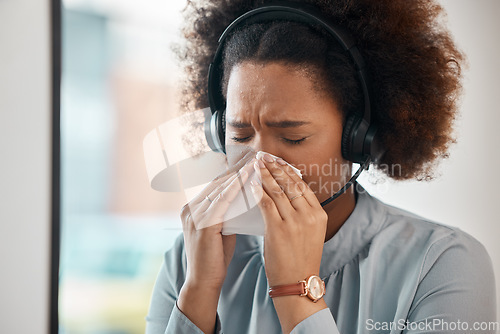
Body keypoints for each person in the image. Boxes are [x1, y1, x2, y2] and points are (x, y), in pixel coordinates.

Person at [145, 0, 496, 333]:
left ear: (356, 138)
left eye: (293, 137)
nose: (258, 164)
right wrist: (198, 293)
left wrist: (297, 295)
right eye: (239, 134)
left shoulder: (442, 264)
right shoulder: (187, 259)